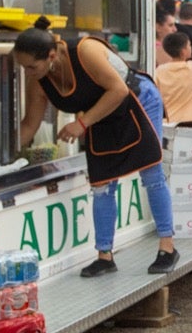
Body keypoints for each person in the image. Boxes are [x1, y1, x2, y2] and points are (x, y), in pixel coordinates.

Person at [13, 18, 178, 276]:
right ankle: (104, 255)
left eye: (31, 67)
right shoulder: (38, 79)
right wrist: (6, 154)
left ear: (52, 56)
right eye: (22, 67)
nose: (27, 73)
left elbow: (118, 90)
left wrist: (82, 123)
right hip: (100, 115)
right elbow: (30, 124)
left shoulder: (84, 52)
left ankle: (167, 247)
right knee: (101, 184)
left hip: (137, 101)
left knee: (151, 173)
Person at [154, 32, 192, 125]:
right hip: (190, 123)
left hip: (167, 122)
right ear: (183, 51)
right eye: (189, 45)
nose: (191, 47)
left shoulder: (159, 71)